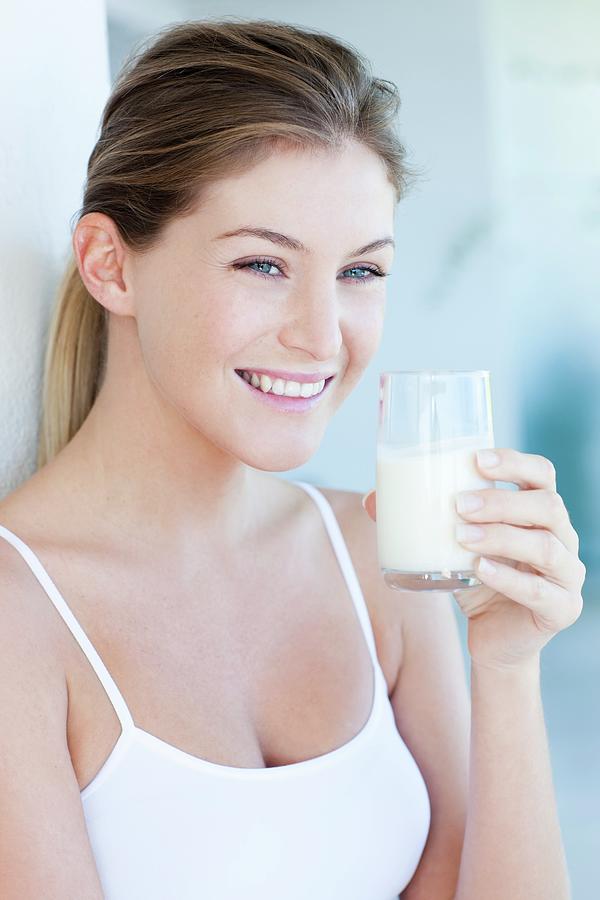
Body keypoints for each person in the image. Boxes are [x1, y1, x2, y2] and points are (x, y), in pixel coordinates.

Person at [0, 18, 584, 900]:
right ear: (110, 264)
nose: (322, 337)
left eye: (360, 273)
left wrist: (506, 664)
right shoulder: (19, 621)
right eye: (263, 264)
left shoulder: (380, 555)